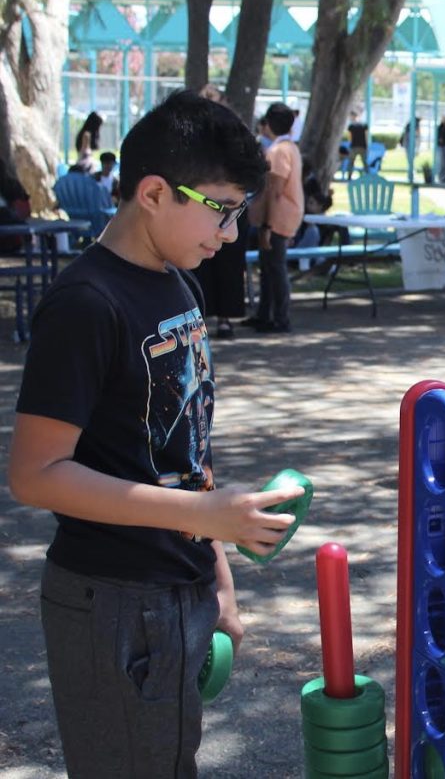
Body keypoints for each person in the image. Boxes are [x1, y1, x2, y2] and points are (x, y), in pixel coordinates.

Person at [8, 89, 300, 777]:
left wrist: (217, 566)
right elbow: (34, 473)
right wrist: (202, 515)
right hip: (110, 599)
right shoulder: (85, 304)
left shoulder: (179, 285)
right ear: (153, 192)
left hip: (180, 584)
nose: (229, 233)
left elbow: (185, 445)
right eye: (221, 210)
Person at [248, 103, 304, 334]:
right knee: (269, 267)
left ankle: (280, 318)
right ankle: (264, 315)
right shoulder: (290, 147)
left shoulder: (278, 152)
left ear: (269, 124)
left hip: (278, 218)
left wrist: (267, 225)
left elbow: (274, 191)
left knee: (275, 268)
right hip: (283, 216)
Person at [346, 113, 369, 178]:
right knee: (364, 162)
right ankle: (368, 175)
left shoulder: (351, 126)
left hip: (354, 146)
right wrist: (367, 146)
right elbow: (366, 136)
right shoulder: (364, 125)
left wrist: (349, 145)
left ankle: (349, 176)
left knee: (351, 162)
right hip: (362, 146)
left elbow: (349, 137)